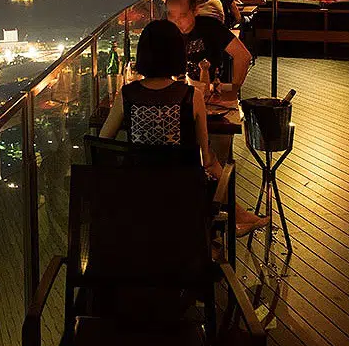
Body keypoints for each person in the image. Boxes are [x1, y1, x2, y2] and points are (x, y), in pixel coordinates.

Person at [99, 20, 268, 235]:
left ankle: (237, 219)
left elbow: (103, 144)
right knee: (214, 163)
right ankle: (234, 221)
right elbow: (205, 158)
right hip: (185, 200)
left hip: (138, 199)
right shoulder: (191, 96)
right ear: (178, 54)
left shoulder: (127, 95)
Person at [165, 0, 252, 90]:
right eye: (171, 15)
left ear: (195, 11)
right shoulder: (165, 31)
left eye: (182, 15)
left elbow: (243, 56)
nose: (176, 21)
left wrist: (231, 91)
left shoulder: (210, 26)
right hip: (178, 93)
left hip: (211, 90)